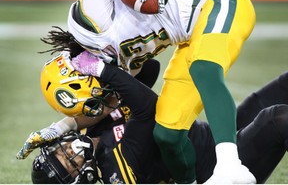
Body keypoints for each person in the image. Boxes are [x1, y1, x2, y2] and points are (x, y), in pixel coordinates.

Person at [40, 0, 256, 183]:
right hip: (189, 38)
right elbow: (120, 96)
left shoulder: (93, 24)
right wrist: (63, 126)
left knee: (204, 70)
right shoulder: (103, 64)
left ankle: (230, 167)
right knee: (168, 134)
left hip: (213, 2)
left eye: (91, 100)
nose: (98, 101)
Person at [17, 52, 288, 184]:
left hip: (214, 139)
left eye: (58, 150)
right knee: (276, 120)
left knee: (281, 87)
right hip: (215, 172)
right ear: (80, 178)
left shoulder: (96, 133)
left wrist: (68, 121)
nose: (67, 150)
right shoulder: (115, 167)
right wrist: (102, 69)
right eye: (67, 161)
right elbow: (148, 106)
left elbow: (148, 70)